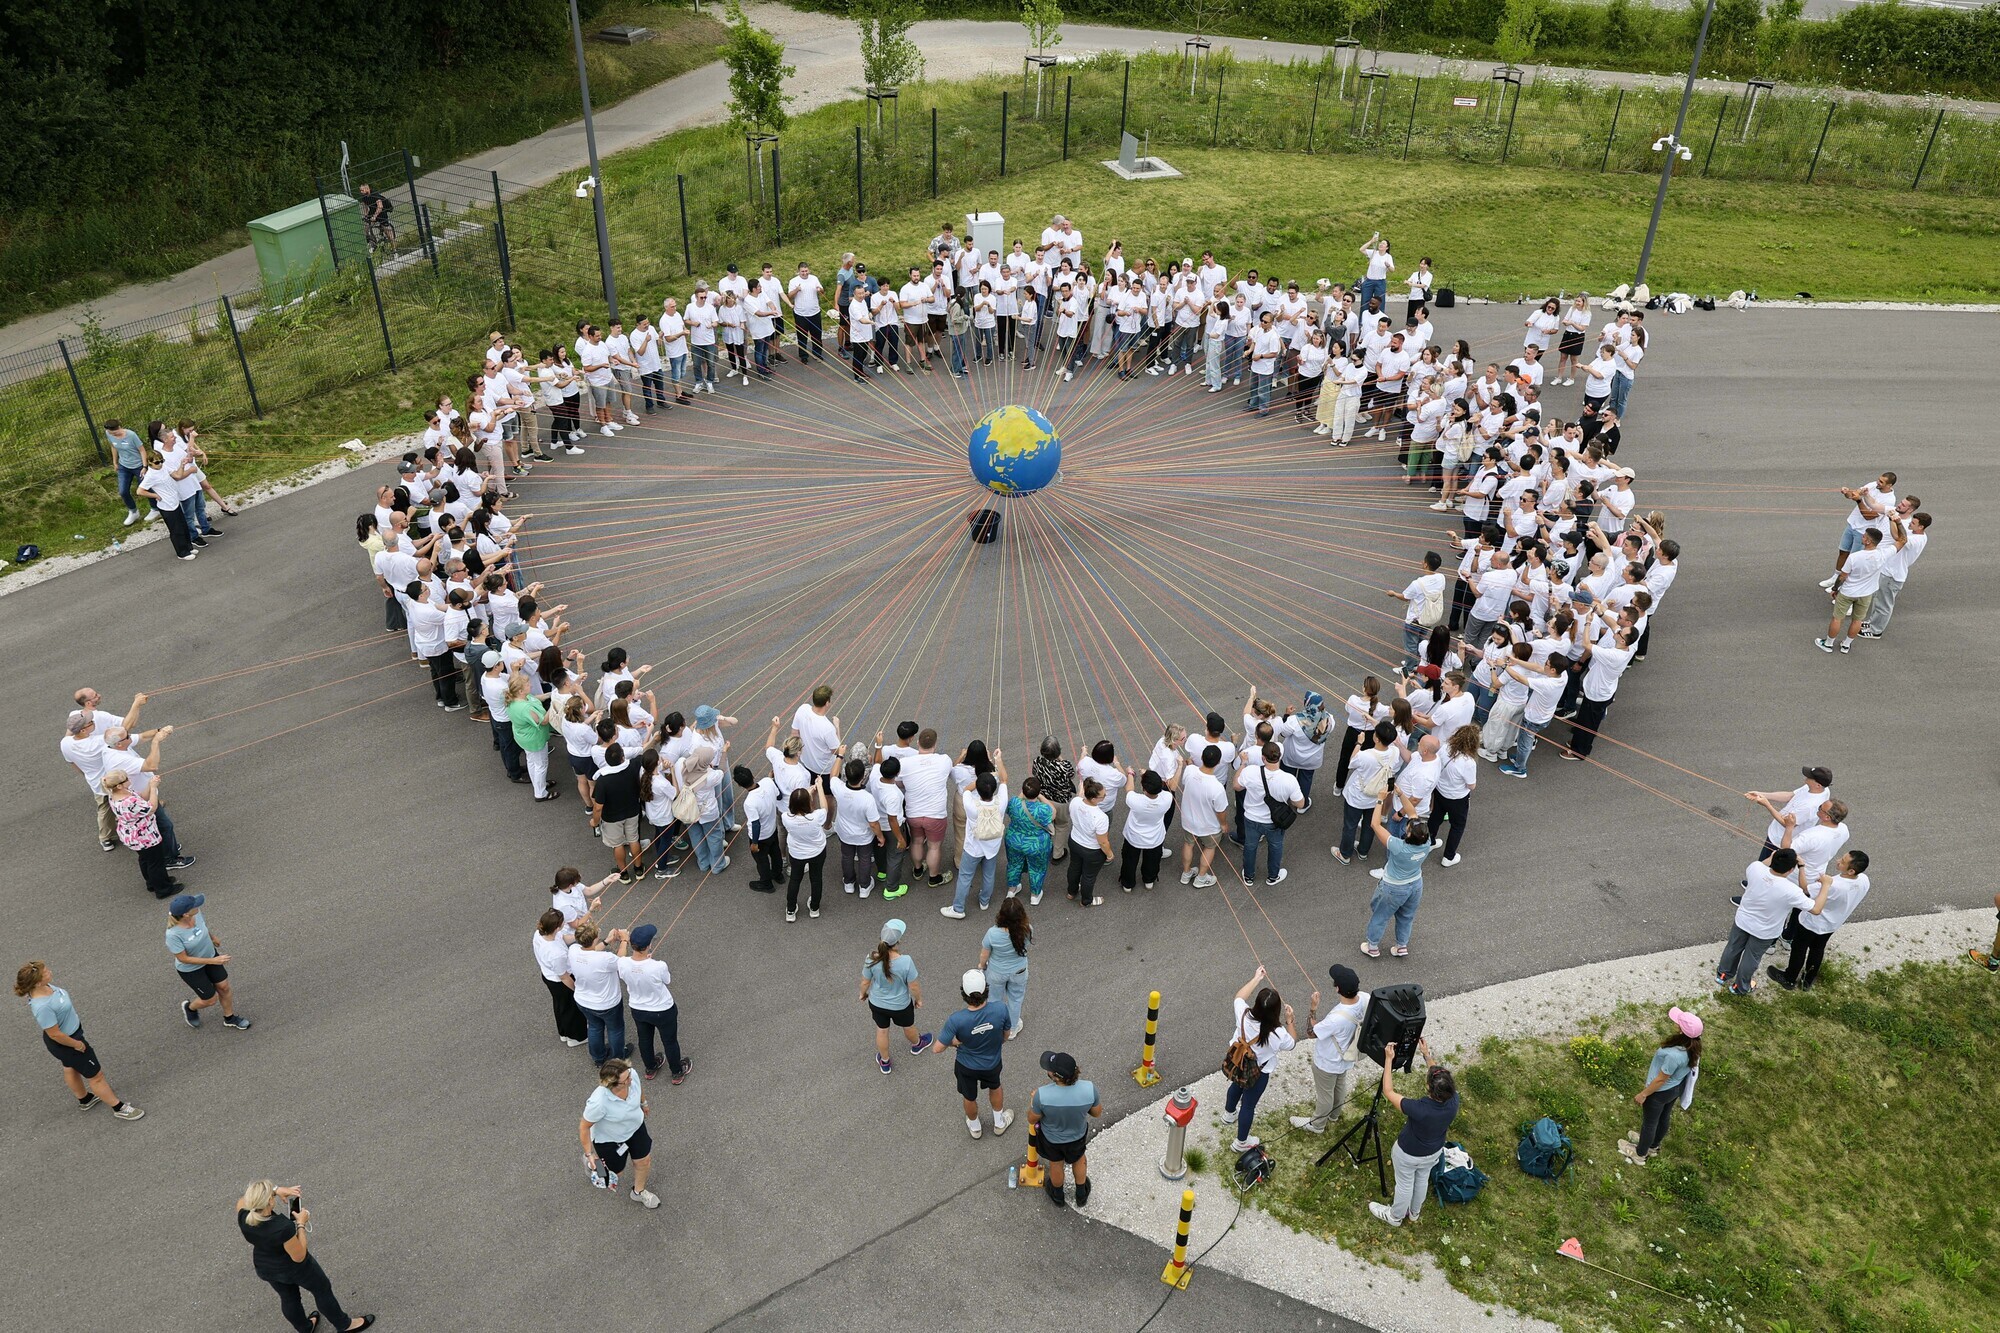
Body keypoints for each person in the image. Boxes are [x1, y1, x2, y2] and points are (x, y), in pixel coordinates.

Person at [236, 1181, 375, 1332]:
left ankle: (305, 1328)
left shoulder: (245, 1216)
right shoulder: (282, 1228)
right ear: (269, 1201)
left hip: (266, 1267)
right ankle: (345, 1325)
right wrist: (301, 1223)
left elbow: (244, 1199)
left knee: (289, 1298)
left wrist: (276, 1190)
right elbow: (299, 1256)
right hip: (294, 1269)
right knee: (322, 1290)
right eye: (271, 1195)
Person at [17, 959, 144, 1119]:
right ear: (36, 983)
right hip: (67, 1042)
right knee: (96, 1076)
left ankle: (85, 1099)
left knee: (70, 1067)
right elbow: (55, 1034)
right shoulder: (42, 1007)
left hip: (70, 1037)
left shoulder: (46, 988)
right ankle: (119, 1108)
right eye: (45, 973)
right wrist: (76, 1045)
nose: (49, 972)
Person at [1369, 1038, 1456, 1228]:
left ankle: (1395, 1216)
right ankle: (1414, 1212)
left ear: (1429, 1089)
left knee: (1405, 1184)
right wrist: (1426, 1055)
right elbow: (1438, 1077)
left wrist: (1388, 1060)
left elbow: (1388, 1090)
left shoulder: (1420, 1108)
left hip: (1408, 1153)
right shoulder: (1453, 1100)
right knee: (1422, 1179)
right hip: (1433, 1151)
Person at [1717, 848, 1825, 995]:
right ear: (1791, 869)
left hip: (1743, 921)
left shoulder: (1755, 868)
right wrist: (1823, 883)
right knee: (1751, 958)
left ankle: (1723, 974)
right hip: (1765, 931)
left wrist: (1775, 855)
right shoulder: (1792, 891)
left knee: (1733, 948)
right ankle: (1740, 987)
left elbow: (1762, 864)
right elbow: (1816, 909)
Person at [1767, 851, 1871, 992]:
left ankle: (1789, 978)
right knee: (1817, 949)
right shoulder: (1863, 880)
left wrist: (1802, 866)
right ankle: (1807, 980)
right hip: (1832, 924)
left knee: (1799, 949)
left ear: (1851, 871)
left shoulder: (1833, 885)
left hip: (1812, 922)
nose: (1838, 860)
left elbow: (1805, 889)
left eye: (1843, 861)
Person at [931, 969, 1015, 1139]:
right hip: (992, 1062)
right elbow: (1006, 1034)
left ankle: (975, 1127)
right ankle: (999, 1123)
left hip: (966, 1066)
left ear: (964, 994)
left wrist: (955, 1042)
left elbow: (937, 1048)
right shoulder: (1000, 1009)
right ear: (986, 990)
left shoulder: (956, 1020)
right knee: (995, 1086)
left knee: (969, 1096)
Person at [1224, 966, 1297, 1152]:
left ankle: (1228, 1114)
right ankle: (1241, 1143)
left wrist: (1257, 978)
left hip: (1238, 1061)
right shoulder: (1277, 1033)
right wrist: (1290, 1021)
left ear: (1256, 1004)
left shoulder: (1244, 1013)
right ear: (1276, 1011)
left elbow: (1239, 997)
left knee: (1236, 1085)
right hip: (1258, 1071)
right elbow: (1292, 1043)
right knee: (1248, 1105)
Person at [1292, 965, 1369, 1135]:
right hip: (1347, 1056)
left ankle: (1317, 1125)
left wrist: (1313, 1008)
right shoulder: (1364, 998)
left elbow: (1311, 1033)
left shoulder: (1336, 1018)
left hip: (1328, 1061)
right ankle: (1334, 1115)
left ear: (1338, 989)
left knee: (1325, 1095)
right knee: (1340, 1085)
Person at [1620, 1008, 1701, 1166]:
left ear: (1681, 1030)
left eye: (1678, 1023)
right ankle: (1653, 1145)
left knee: (1650, 1123)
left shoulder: (1674, 1055)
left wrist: (1644, 1094)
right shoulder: (1694, 1046)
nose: (1675, 1023)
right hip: (1675, 1088)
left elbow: (1660, 1080)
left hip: (1660, 1092)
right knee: (1664, 1117)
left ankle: (1640, 1153)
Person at [580, 1058, 662, 1208]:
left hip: (635, 1129)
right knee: (612, 1176)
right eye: (626, 1079)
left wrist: (644, 1103)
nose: (631, 1078)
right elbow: (584, 1127)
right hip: (610, 1140)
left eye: (629, 1074)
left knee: (644, 1161)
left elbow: (638, 1088)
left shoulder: (631, 1075)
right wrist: (588, 1153)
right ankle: (593, 1163)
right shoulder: (598, 1102)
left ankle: (638, 1192)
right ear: (613, 1084)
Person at [1360, 798, 1434, 959]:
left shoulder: (1399, 847)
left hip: (1393, 887)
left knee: (1380, 915)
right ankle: (1401, 946)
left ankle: (1372, 946)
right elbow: (1413, 812)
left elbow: (1375, 824)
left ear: (1408, 834)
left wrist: (1380, 799)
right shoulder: (1426, 842)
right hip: (1415, 885)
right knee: (1406, 916)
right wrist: (1401, 794)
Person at [617, 924, 690, 1084]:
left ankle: (650, 1067)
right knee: (670, 1041)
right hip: (662, 1009)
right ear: (649, 945)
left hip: (638, 1008)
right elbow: (667, 980)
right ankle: (677, 1072)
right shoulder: (658, 966)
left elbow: (620, 958)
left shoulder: (623, 964)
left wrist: (623, 940)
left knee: (644, 1038)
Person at [165, 893, 250, 1031]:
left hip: (211, 958)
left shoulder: (196, 914)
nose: (198, 906)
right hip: (191, 969)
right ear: (185, 914)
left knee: (224, 987)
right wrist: (213, 961)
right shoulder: (173, 934)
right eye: (194, 905)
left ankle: (230, 1018)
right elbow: (183, 958)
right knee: (210, 1000)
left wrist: (212, 937)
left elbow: (203, 927)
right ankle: (190, 1008)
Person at [1029, 1050, 1102, 1207]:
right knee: (1079, 1160)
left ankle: (1058, 1195)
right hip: (1077, 1136)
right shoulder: (1089, 1089)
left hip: (1052, 1139)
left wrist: (1034, 1101)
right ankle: (1081, 1194)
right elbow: (1096, 1113)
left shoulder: (1042, 1095)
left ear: (1055, 1076)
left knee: (1056, 1164)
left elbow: (1032, 1118)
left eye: (1049, 1069)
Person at [861, 919, 932, 1073]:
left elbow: (865, 982)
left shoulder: (871, 958)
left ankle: (885, 1062)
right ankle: (917, 1044)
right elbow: (913, 985)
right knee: (908, 1026)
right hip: (901, 1005)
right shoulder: (905, 961)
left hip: (877, 1003)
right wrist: (918, 999)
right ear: (897, 941)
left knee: (882, 1030)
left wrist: (862, 994)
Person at [102, 765, 183, 899]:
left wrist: (150, 785)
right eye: (126, 779)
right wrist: (153, 788)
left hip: (133, 835)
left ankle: (152, 883)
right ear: (119, 786)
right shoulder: (128, 801)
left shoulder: (116, 795)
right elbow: (151, 807)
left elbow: (141, 797)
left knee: (145, 859)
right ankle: (163, 889)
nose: (129, 780)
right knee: (156, 862)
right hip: (144, 836)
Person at [1234, 740, 1304, 887]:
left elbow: (1237, 786)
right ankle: (1273, 876)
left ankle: (1249, 876)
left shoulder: (1250, 771)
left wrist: (1243, 763)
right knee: (1276, 846)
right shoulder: (1289, 779)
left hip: (1251, 818)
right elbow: (1300, 803)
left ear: (1262, 757)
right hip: (1274, 821)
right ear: (1280, 757)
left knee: (1250, 846)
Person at [947, 759, 1010, 918]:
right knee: (989, 874)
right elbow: (1004, 779)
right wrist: (998, 760)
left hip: (973, 847)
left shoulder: (971, 805)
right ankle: (984, 900)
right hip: (992, 846)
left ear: (980, 790)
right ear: (994, 789)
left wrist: (979, 781)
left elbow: (967, 789)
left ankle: (958, 908)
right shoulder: (1001, 802)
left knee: (965, 876)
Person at [1817, 524, 1887, 655]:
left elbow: (1843, 576)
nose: (1862, 537)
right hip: (1866, 594)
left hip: (1848, 592)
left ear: (1868, 541)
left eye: (1864, 536)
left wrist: (1835, 589)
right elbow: (1901, 542)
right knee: (1857, 620)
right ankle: (1846, 645)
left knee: (1837, 618)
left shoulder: (1855, 557)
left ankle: (1828, 643)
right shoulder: (1883, 554)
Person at [1860, 510, 1930, 639]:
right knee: (1878, 599)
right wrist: (1892, 520)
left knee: (1884, 604)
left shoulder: (1916, 540)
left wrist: (1896, 521)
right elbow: (1896, 534)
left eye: (1913, 523)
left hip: (1893, 576)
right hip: (1888, 572)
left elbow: (1900, 538)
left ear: (1921, 527)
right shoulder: (1913, 532)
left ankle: (1876, 631)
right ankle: (1873, 622)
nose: (1910, 524)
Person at [568, 921, 629, 1064]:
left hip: (583, 1000)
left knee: (594, 1027)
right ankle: (618, 1059)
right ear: (595, 939)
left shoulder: (574, 950)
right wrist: (624, 940)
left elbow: (592, 950)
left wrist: (607, 941)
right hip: (607, 1003)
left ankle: (598, 1058)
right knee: (615, 1029)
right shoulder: (604, 958)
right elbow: (620, 961)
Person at [532, 907, 589, 1049]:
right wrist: (577, 989)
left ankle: (564, 1032)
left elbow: (563, 938)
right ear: (557, 927)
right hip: (560, 981)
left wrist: (579, 936)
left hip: (548, 975)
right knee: (571, 1008)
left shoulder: (540, 934)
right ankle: (577, 1037)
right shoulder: (555, 953)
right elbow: (564, 977)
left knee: (560, 1006)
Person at [780, 784, 835, 922]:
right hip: (817, 852)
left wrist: (806, 794)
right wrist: (820, 787)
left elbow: (797, 808)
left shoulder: (786, 817)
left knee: (795, 880)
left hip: (797, 853)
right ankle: (814, 908)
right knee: (816, 879)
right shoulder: (816, 817)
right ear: (808, 803)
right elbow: (825, 808)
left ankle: (791, 910)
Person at [981, 897, 1032, 1035]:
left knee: (994, 1000)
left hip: (996, 972)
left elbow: (984, 955)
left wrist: (981, 966)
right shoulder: (1026, 929)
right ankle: (1012, 1029)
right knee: (1015, 999)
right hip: (1019, 971)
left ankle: (996, 1027)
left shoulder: (992, 933)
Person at [1001, 775, 1055, 905]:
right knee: (1037, 869)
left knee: (1014, 865)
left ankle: (1012, 889)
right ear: (1038, 792)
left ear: (1023, 791)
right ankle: (1035, 895)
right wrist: (1042, 797)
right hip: (1036, 844)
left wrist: (1024, 792)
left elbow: (1015, 801)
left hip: (1014, 840)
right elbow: (1053, 812)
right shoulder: (1042, 809)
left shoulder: (1014, 803)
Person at [1064, 778, 1113, 907]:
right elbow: (1103, 842)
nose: (1105, 797)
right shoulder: (1101, 817)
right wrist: (1109, 854)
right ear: (1093, 799)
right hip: (1092, 850)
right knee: (1088, 876)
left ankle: (1071, 892)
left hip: (1074, 841)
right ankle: (1086, 900)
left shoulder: (1075, 802)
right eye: (1103, 796)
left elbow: (1080, 796)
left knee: (1074, 867)